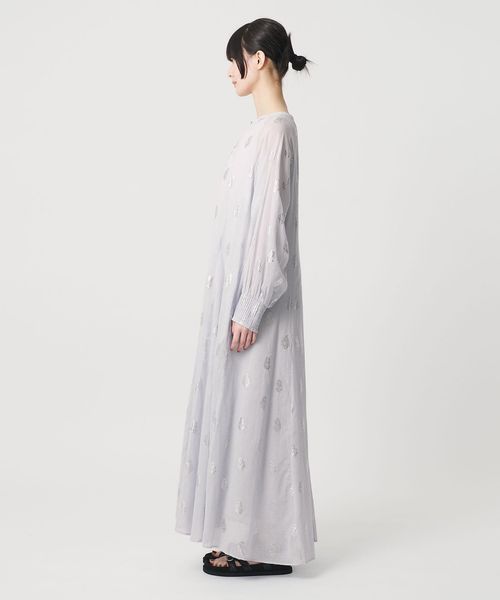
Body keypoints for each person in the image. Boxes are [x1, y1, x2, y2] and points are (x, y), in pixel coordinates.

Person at [175, 17, 317, 577]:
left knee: (259, 414)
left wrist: (252, 304)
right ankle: (243, 535)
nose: (229, 71)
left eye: (233, 58)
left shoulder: (276, 132)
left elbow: (269, 228)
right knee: (242, 411)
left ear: (258, 59)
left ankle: (258, 545)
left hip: (256, 305)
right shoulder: (262, 132)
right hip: (239, 300)